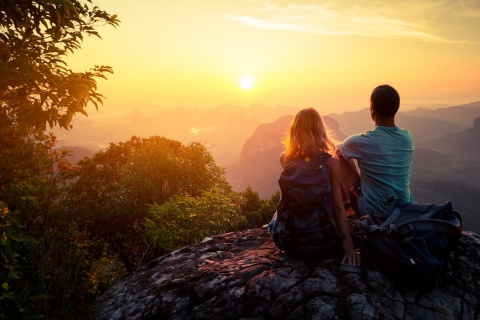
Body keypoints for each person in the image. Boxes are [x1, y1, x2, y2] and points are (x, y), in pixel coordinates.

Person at [280, 108, 360, 266]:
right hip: (324, 241)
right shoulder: (331, 162)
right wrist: (348, 248)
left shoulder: (285, 158)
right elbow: (338, 207)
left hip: (291, 242)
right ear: (320, 130)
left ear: (294, 130)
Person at [336, 84, 414, 217]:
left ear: (372, 111)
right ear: (396, 109)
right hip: (404, 209)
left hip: (373, 212)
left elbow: (338, 150)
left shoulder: (361, 142)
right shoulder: (407, 137)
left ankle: (342, 208)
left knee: (340, 159)